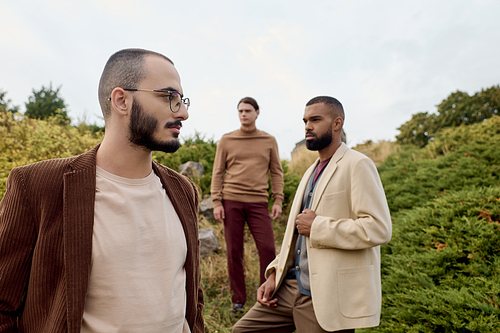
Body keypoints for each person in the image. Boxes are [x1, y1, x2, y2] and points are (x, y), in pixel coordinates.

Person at [0, 49, 204, 332]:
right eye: (168, 96)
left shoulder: (183, 191)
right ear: (122, 100)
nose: (183, 111)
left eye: (182, 99)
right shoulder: (37, 186)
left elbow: (193, 298)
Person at [233, 96, 392, 332]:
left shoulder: (358, 164)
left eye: (315, 120)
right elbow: (294, 237)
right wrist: (275, 273)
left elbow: (378, 228)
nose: (308, 126)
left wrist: (318, 226)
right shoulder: (310, 172)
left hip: (326, 295)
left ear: (337, 123)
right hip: (289, 289)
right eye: (305, 120)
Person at [211, 97, 284, 314]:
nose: (244, 114)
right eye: (241, 111)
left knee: (268, 249)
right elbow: (218, 172)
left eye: (248, 110)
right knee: (234, 251)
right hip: (231, 200)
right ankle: (238, 300)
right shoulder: (227, 140)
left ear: (257, 113)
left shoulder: (268, 140)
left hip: (258, 202)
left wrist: (278, 199)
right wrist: (216, 201)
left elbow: (276, 171)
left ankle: (267, 293)